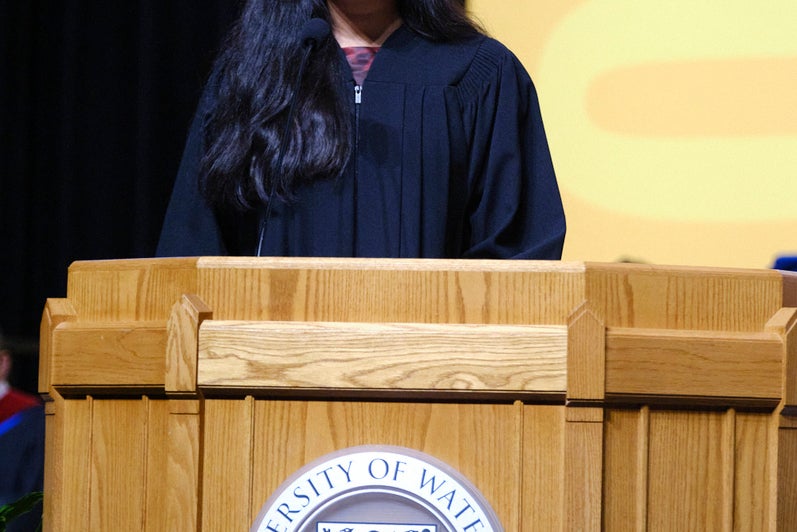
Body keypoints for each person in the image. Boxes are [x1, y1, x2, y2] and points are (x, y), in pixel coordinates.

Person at [157, 0, 566, 259]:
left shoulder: (479, 74)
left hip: (433, 378)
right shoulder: (253, 74)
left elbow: (518, 252)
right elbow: (196, 245)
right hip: (273, 377)